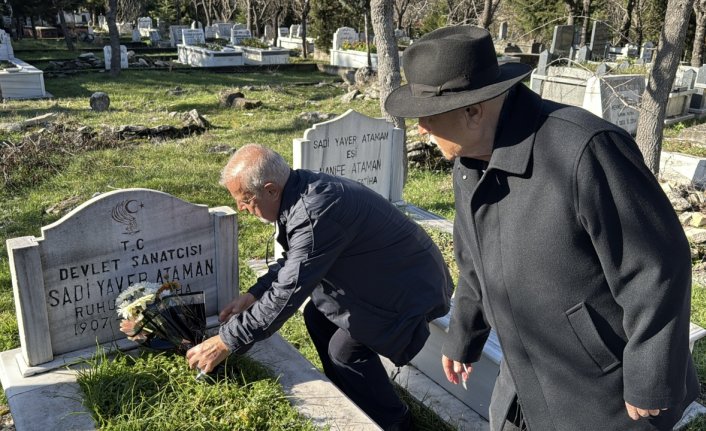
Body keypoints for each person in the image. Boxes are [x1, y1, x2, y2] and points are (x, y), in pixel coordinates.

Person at [384, 25, 699, 431]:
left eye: (427, 115)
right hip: (524, 373)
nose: (421, 128)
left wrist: (651, 376)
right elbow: (474, 263)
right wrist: (464, 335)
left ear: (473, 110)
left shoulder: (585, 150)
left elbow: (656, 268)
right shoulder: (469, 164)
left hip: (604, 391)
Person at [186, 143, 453, 430]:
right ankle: (354, 398)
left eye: (246, 199)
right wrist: (255, 293)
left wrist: (227, 340)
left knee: (346, 351)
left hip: (411, 289)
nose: (242, 207)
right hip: (389, 275)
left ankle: (395, 421)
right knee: (317, 315)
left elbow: (288, 291)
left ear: (271, 189)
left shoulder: (314, 210)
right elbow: (295, 261)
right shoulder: (301, 191)